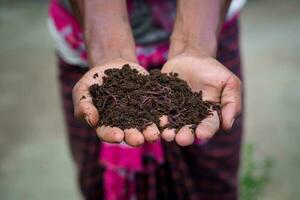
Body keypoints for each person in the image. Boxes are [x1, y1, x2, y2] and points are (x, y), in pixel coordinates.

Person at [48, 0, 245, 199]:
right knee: (96, 180)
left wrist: (195, 48)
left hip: (207, 33)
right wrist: (109, 52)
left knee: (211, 182)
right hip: (86, 41)